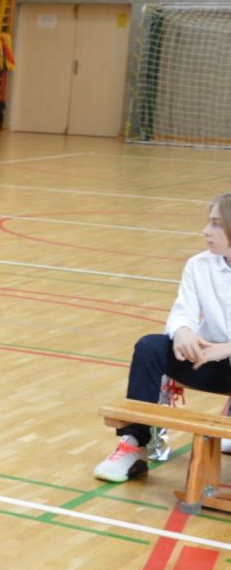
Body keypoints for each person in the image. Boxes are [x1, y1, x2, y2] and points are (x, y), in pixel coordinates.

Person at [93, 192, 231, 481]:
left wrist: (225, 349)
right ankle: (134, 444)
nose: (206, 231)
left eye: (217, 224)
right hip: (207, 362)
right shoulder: (199, 265)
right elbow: (183, 312)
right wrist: (182, 332)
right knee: (150, 347)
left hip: (223, 355)